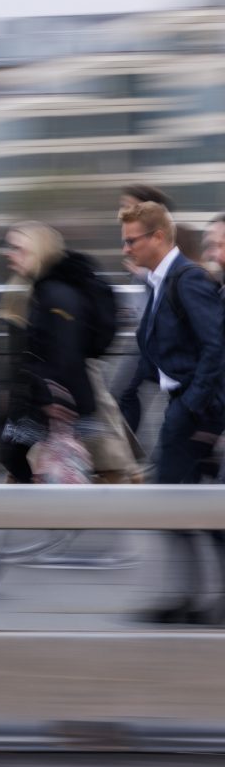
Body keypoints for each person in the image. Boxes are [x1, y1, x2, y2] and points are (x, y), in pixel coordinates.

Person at [117, 202, 225, 624]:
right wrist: (129, 392)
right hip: (187, 407)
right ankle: (191, 597)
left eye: (132, 241)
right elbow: (160, 347)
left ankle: (189, 598)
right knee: (185, 503)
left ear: (158, 237)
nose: (125, 249)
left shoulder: (188, 280)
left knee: (175, 500)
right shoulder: (161, 281)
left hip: (198, 411)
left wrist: (191, 407)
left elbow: (216, 348)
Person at [0, 222, 97, 484]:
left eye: (19, 249)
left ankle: (46, 505)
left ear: (38, 252)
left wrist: (55, 398)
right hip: (42, 394)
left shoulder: (56, 294)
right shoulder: (39, 289)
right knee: (15, 453)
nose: (10, 254)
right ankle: (44, 501)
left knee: (13, 452)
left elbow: (65, 349)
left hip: (53, 399)